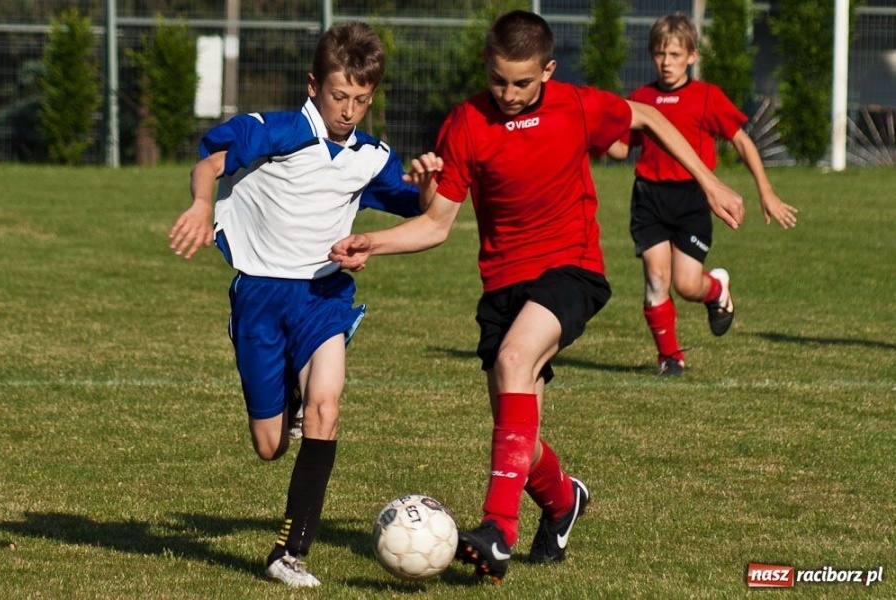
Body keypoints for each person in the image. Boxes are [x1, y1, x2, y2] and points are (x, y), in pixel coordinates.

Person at [330, 10, 744, 582]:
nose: (510, 94)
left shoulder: (575, 105)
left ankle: (498, 532)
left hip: (570, 269)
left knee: (514, 359)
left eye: (523, 82)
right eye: (499, 80)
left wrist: (710, 180)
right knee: (516, 443)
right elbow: (436, 224)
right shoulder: (466, 123)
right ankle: (562, 500)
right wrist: (372, 242)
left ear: (547, 70)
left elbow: (646, 116)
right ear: (487, 67)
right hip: (502, 285)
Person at [168, 22, 439, 588]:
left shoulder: (369, 157)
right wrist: (200, 205)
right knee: (269, 445)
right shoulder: (277, 131)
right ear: (314, 84)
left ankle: (288, 553)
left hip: (323, 295)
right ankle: (287, 393)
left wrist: (429, 180)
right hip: (260, 298)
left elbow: (419, 205)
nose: (349, 110)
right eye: (340, 96)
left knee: (327, 408)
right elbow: (210, 163)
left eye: (362, 100)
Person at [606, 13, 798, 377]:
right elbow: (620, 148)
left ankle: (716, 289)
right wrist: (590, 136)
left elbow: (741, 141)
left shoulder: (705, 97)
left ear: (692, 56)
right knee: (656, 279)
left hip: (692, 199)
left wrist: (766, 191)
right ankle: (671, 358)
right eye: (660, 54)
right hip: (648, 198)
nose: (667, 62)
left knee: (687, 284)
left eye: (675, 55)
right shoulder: (641, 98)